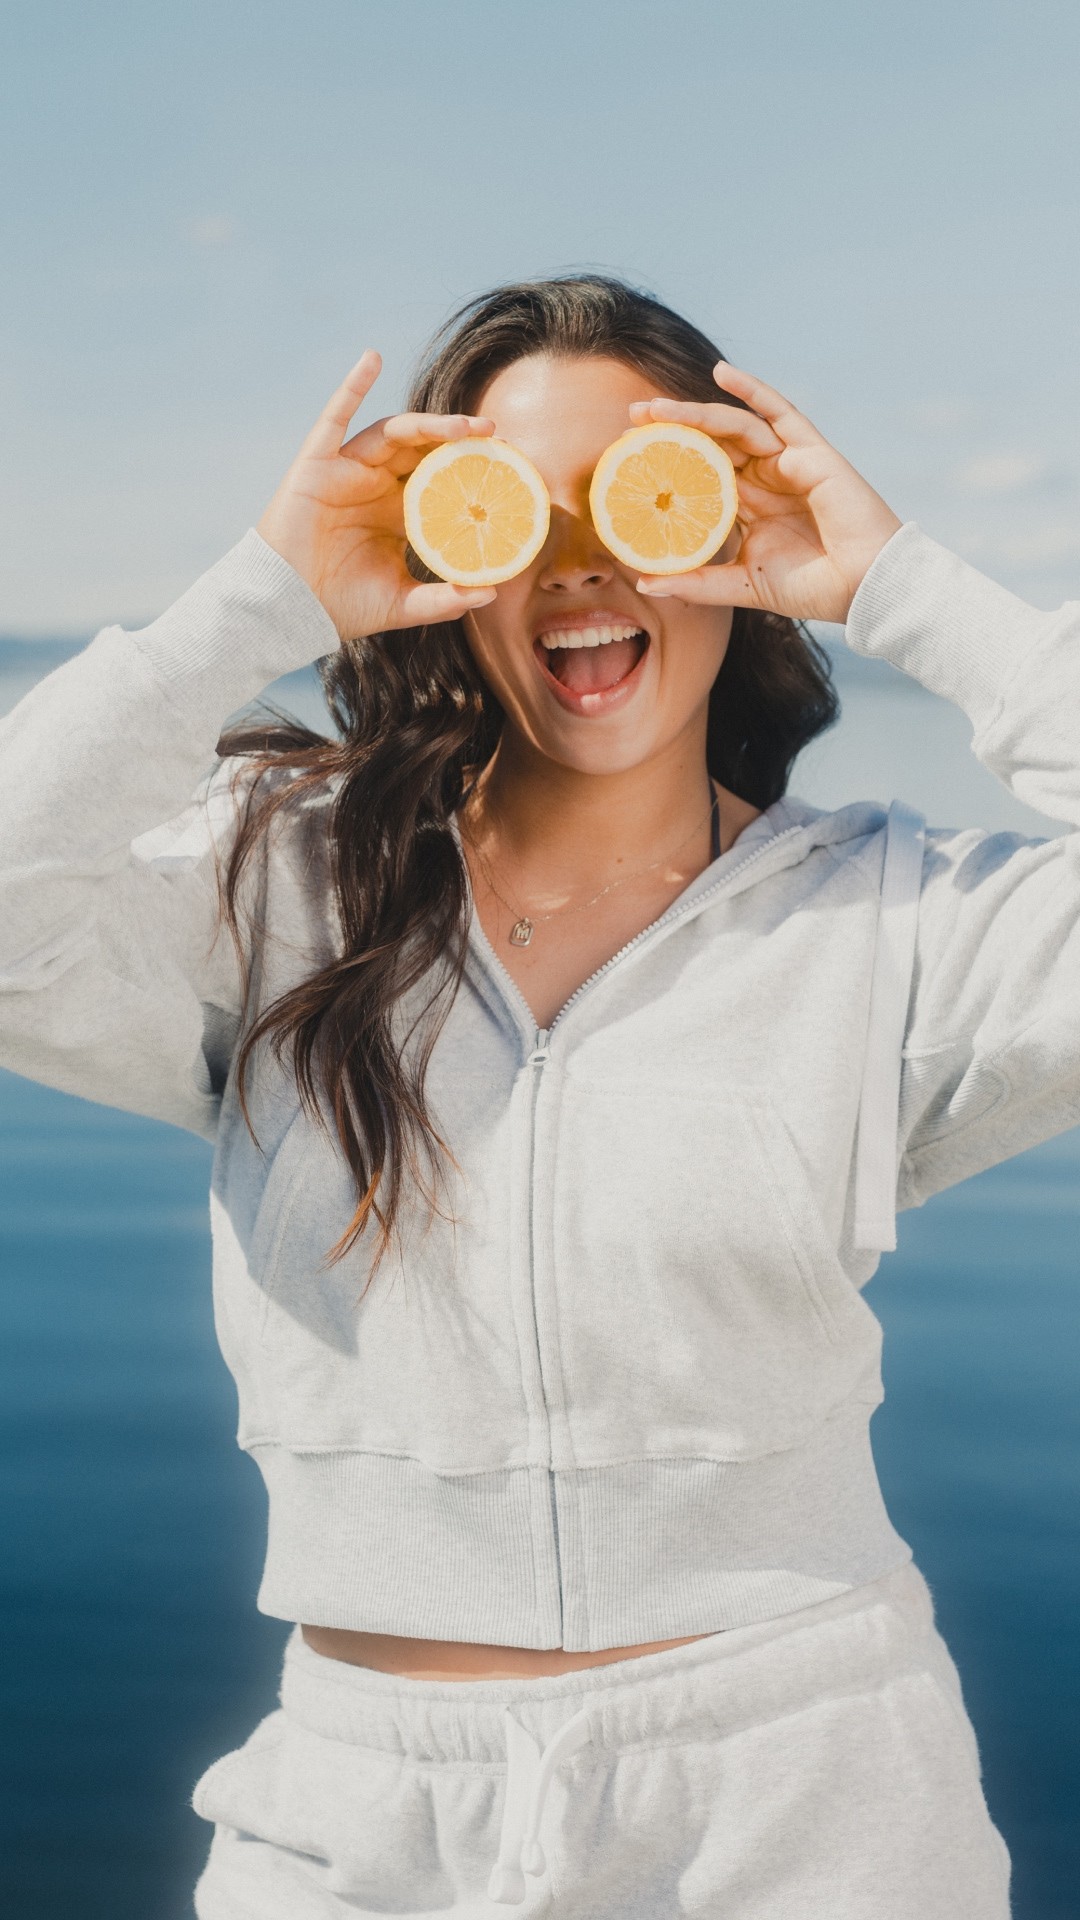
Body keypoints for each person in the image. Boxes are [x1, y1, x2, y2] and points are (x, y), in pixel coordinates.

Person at [7, 270, 1075, 1917]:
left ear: (732, 535)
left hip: (808, 1805)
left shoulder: (895, 921)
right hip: (360, 1817)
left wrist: (906, 585)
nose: (580, 558)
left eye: (642, 499)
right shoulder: (274, 895)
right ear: (446, 551)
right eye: (520, 511)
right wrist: (259, 602)